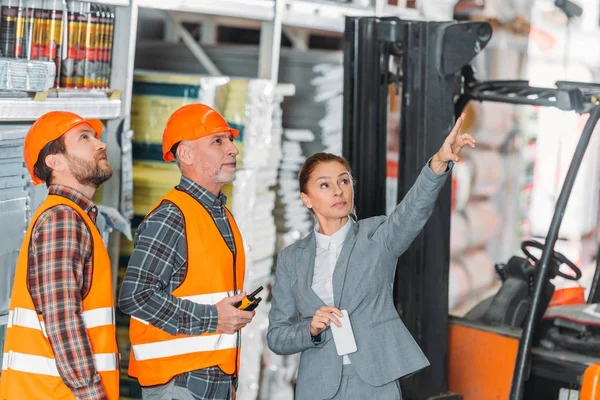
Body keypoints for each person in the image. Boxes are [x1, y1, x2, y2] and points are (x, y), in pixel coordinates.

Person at [267, 114, 475, 399]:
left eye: (344, 181)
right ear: (306, 199)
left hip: (374, 381)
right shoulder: (292, 258)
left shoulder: (376, 235)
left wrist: (437, 164)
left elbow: (412, 211)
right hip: (319, 386)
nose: (338, 190)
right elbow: (277, 336)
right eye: (325, 185)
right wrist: (310, 329)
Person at [119, 104, 256, 400]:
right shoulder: (171, 216)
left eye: (230, 139)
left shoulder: (221, 214)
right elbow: (135, 296)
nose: (232, 149)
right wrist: (213, 318)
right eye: (217, 141)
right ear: (186, 154)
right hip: (178, 385)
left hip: (213, 381)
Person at [0, 111, 120, 400]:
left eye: (96, 136)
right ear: (56, 162)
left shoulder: (74, 217)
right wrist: (92, 394)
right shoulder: (62, 220)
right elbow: (61, 319)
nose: (100, 144)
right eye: (84, 138)